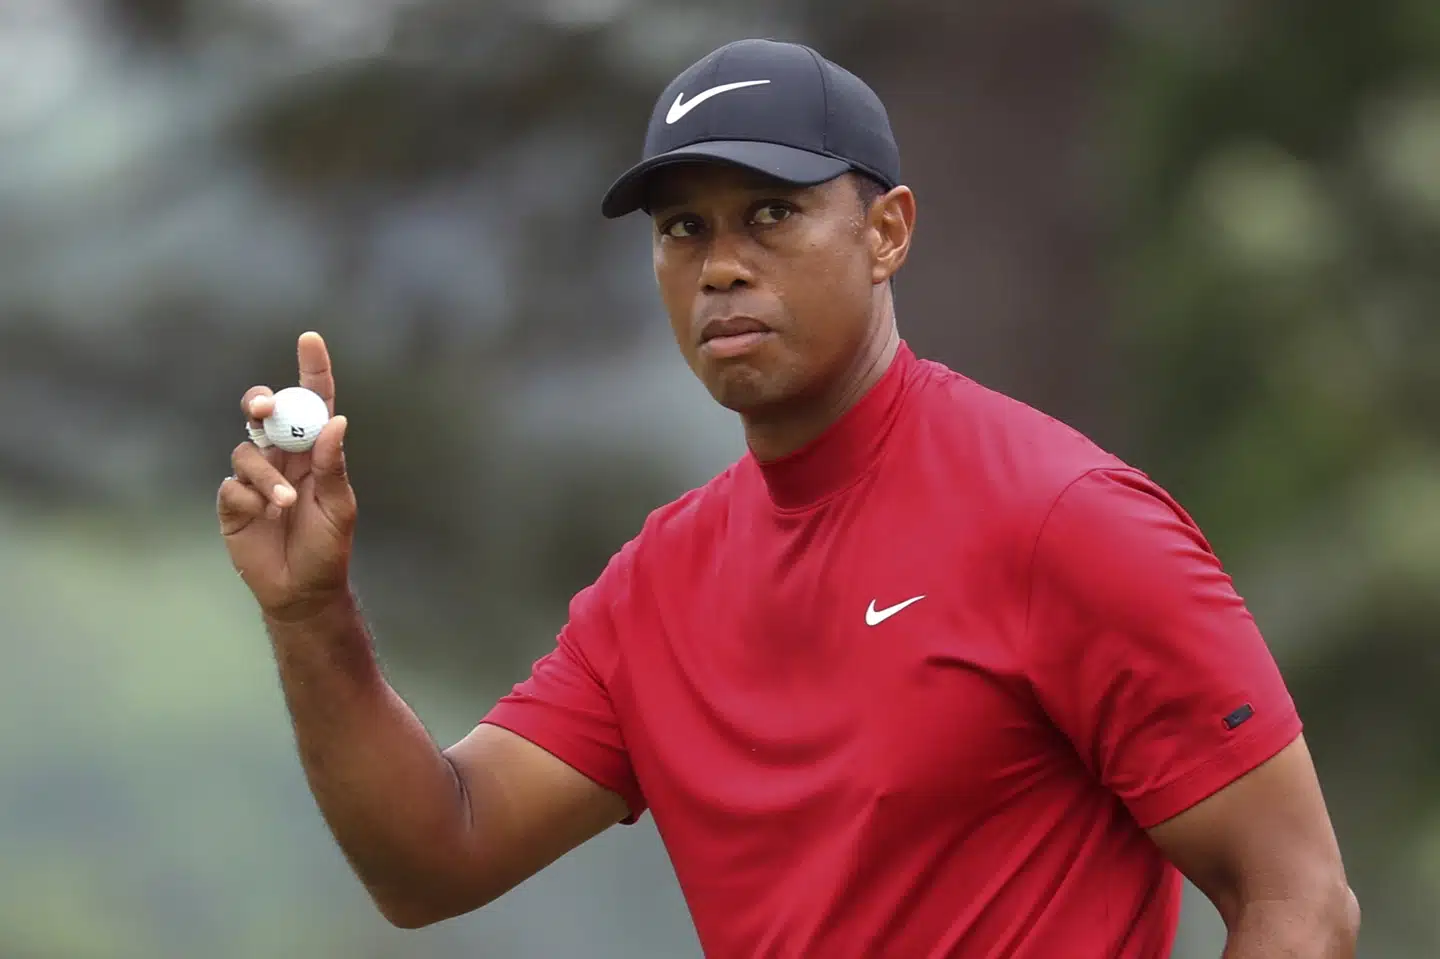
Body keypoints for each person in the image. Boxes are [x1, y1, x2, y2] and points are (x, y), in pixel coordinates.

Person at [218, 38, 1359, 959]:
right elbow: (434, 857)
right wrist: (310, 614)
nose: (721, 263)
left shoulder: (1064, 516)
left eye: (770, 212)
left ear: (887, 232)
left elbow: (1299, 901)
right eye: (684, 228)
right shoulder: (657, 587)